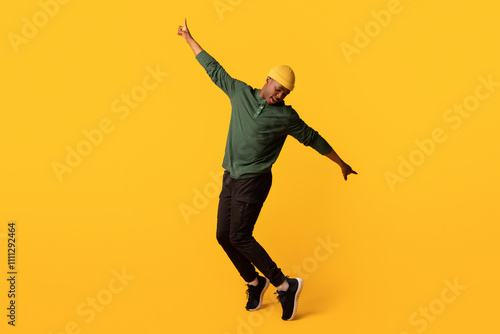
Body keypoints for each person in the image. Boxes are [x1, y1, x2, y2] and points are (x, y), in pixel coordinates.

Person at [177, 18, 357, 321]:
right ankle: (254, 281)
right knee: (224, 236)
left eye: (286, 92)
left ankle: (285, 285)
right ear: (268, 80)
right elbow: (214, 70)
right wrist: (188, 39)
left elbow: (312, 137)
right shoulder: (240, 93)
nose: (281, 95)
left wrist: (340, 162)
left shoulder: (286, 117)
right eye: (279, 88)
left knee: (240, 235)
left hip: (255, 181)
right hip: (231, 176)